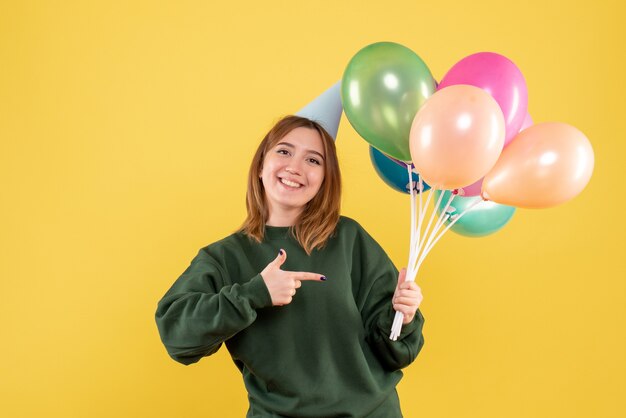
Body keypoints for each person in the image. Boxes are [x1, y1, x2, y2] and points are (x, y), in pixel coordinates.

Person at [155, 115, 425, 417]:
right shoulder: (224, 258)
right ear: (260, 165)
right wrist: (253, 294)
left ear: (325, 179)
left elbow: (395, 351)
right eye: (284, 151)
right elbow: (177, 337)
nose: (295, 167)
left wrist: (404, 315)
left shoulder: (349, 239)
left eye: (313, 160)